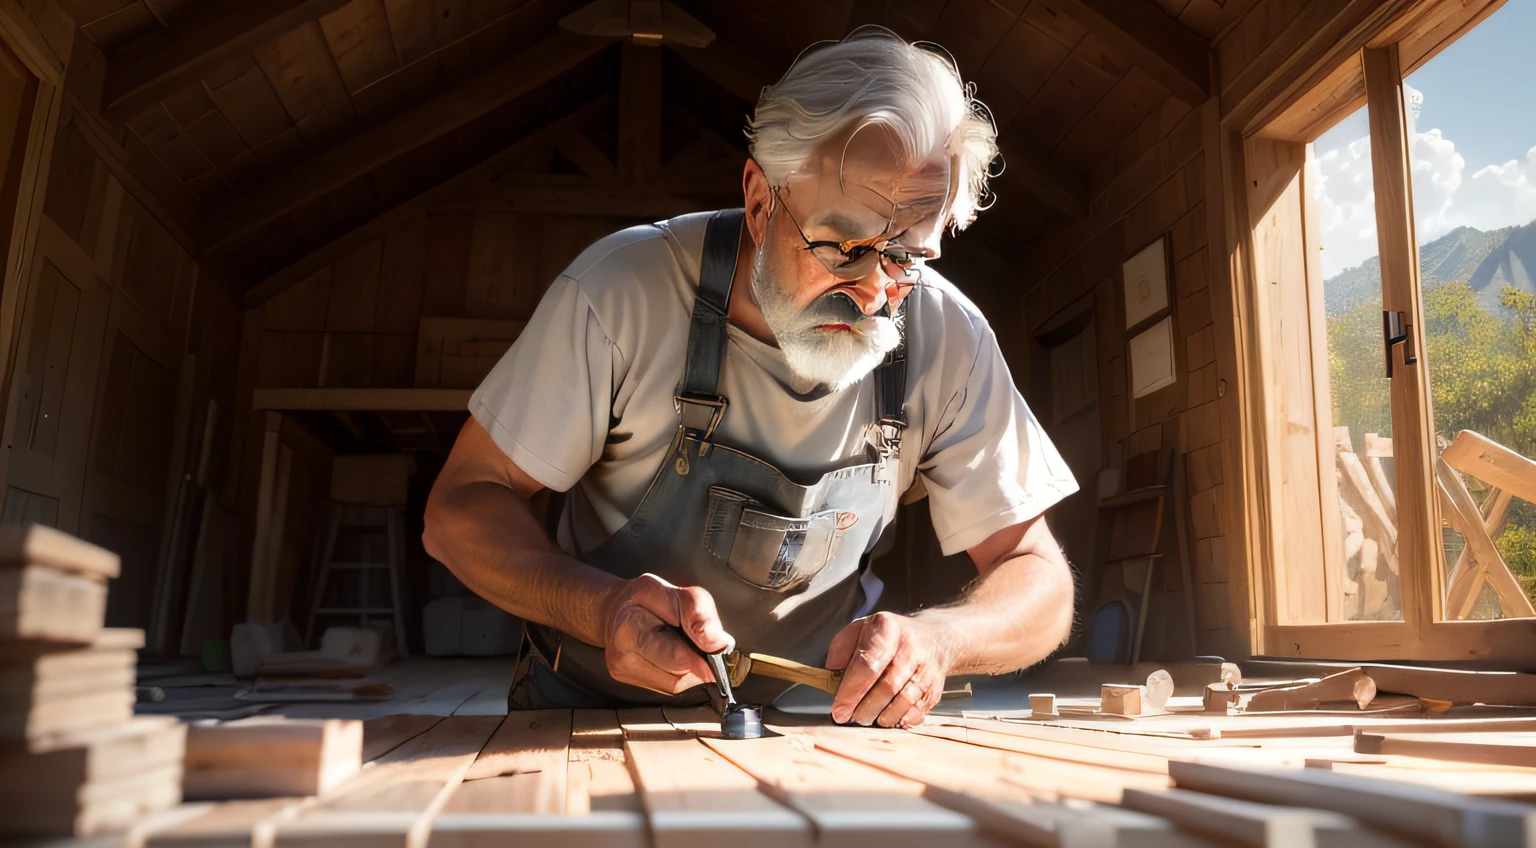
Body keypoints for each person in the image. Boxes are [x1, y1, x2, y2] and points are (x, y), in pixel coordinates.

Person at [423, 26, 1078, 729]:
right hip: (590, 715)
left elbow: (1040, 577)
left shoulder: (949, 337)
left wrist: (941, 642)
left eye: (905, 258)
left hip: (820, 725)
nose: (869, 291)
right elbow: (460, 508)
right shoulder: (619, 293)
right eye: (844, 246)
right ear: (761, 200)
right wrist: (600, 607)